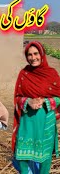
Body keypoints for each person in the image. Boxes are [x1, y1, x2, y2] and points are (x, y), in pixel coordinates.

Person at [12, 41, 60, 173]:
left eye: (36, 54)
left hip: (46, 120)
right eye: (29, 55)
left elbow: (59, 96)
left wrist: (46, 101)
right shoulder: (24, 74)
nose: (33, 58)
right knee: (22, 154)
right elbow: (17, 97)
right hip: (28, 120)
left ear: (42, 54)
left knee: (45, 156)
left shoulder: (51, 74)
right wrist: (28, 101)